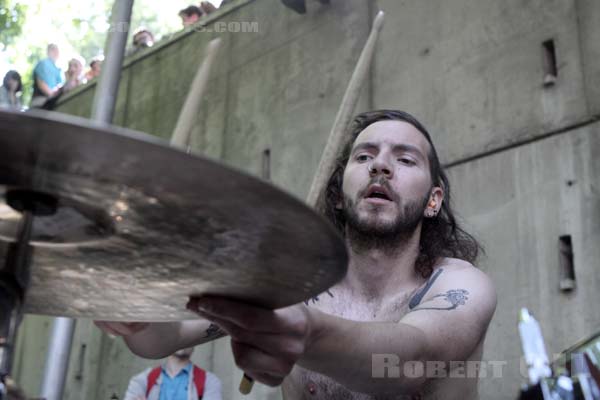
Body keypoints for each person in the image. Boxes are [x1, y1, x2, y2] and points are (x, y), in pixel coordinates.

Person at [96, 110, 497, 399]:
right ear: (339, 194)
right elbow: (166, 338)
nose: (380, 166)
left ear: (433, 200)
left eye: (405, 159)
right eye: (364, 156)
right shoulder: (290, 284)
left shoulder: (460, 286)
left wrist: (307, 332)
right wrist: (138, 316)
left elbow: (409, 360)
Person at [124, 347, 222, 400]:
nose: (183, 340)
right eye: (179, 335)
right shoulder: (142, 380)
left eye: (189, 337)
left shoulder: (210, 381)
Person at [31, 43, 63, 108]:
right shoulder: (43, 64)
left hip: (53, 101)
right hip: (41, 101)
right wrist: (52, 96)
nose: (56, 53)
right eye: (53, 50)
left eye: (57, 50)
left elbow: (59, 85)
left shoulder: (57, 69)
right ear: (48, 51)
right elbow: (41, 84)